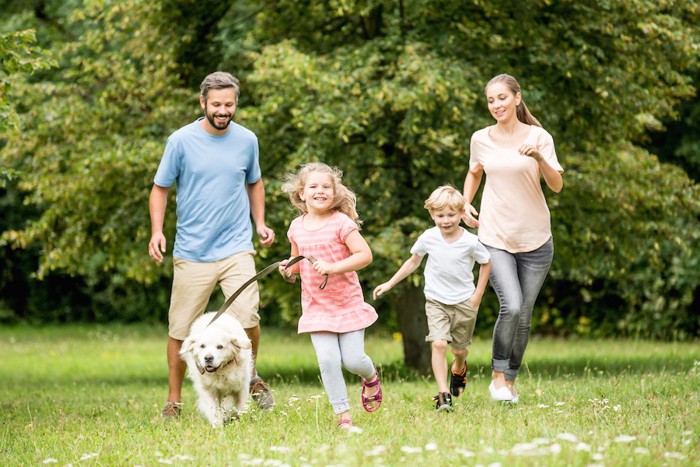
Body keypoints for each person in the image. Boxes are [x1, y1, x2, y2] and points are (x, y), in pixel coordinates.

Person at [148, 71, 276, 420]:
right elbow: (160, 188)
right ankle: (173, 401)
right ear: (202, 102)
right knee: (181, 327)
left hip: (236, 246)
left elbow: (255, 182)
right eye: (217, 104)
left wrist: (260, 223)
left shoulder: (247, 139)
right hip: (192, 251)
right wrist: (157, 231)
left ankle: (251, 376)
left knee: (249, 315)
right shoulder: (180, 141)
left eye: (229, 104)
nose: (223, 110)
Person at [463, 73, 564, 403]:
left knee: (525, 316)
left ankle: (510, 379)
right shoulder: (481, 138)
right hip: (495, 235)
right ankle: (497, 376)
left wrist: (538, 157)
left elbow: (557, 185)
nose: (496, 105)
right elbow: (474, 171)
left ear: (517, 98)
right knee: (513, 305)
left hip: (536, 239)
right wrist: (466, 203)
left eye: (502, 98)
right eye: (491, 100)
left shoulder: (539, 136)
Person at [278, 162, 382, 430]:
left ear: (335, 193)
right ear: (302, 193)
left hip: (346, 304)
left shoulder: (341, 222)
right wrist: (288, 271)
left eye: (326, 187)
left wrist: (334, 267)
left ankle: (370, 377)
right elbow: (298, 263)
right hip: (316, 307)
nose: (320, 191)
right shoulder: (296, 227)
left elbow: (365, 255)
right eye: (313, 186)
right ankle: (343, 417)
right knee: (327, 360)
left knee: (353, 360)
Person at [373, 185, 491, 411]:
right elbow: (413, 262)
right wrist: (389, 283)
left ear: (460, 213)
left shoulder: (470, 241)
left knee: (458, 350)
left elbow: (486, 263)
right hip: (436, 300)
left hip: (464, 302)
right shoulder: (428, 237)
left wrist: (477, 294)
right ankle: (443, 394)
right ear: (431, 214)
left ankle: (459, 367)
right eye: (440, 216)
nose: (446, 220)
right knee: (438, 344)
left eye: (451, 215)